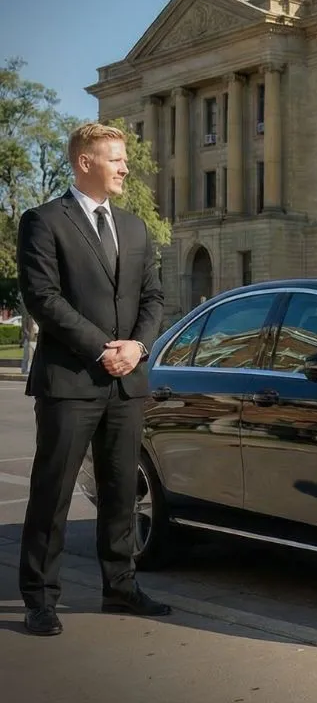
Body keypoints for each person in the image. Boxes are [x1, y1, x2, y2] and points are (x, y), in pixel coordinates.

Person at [16, 122, 170, 636]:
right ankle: (40, 598)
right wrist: (102, 349)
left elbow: (153, 298)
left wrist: (138, 347)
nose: (127, 168)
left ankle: (120, 588)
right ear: (86, 163)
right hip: (70, 381)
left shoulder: (135, 228)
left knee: (122, 490)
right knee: (52, 493)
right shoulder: (43, 221)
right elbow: (44, 298)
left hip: (127, 382)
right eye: (117, 159)